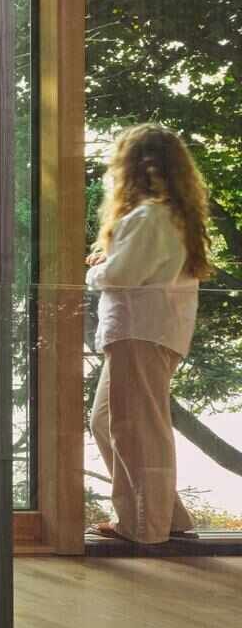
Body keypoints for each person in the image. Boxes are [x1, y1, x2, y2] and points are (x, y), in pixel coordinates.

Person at [86, 124, 215, 546]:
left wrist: (96, 270)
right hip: (153, 331)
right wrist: (113, 259)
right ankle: (166, 516)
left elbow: (121, 275)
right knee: (111, 422)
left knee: (134, 428)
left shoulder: (149, 216)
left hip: (139, 332)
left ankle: (144, 525)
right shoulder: (172, 216)